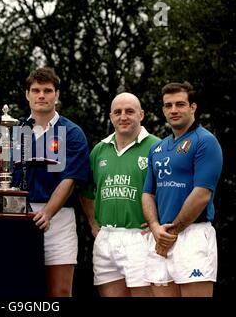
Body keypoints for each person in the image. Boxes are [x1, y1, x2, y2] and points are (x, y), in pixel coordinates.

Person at [13, 67, 90, 296]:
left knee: (60, 291)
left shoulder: (72, 132)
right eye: (35, 90)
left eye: (47, 90)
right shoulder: (13, 131)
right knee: (22, 290)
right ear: (27, 94)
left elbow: (70, 180)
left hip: (59, 217)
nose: (41, 95)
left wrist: (47, 213)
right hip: (18, 217)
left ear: (56, 94)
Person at [142, 82, 223, 297]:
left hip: (192, 234)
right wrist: (154, 226)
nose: (174, 110)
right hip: (160, 236)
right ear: (163, 110)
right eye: (168, 105)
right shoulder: (157, 148)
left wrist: (172, 231)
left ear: (193, 107)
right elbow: (148, 193)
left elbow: (202, 195)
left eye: (180, 104)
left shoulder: (205, 141)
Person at [79, 92, 160, 297]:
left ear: (141, 115)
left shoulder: (157, 147)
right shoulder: (99, 150)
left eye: (129, 111)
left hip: (141, 237)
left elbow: (171, 189)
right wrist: (92, 223)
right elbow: (86, 190)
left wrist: (158, 222)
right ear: (111, 116)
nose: (123, 116)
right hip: (106, 236)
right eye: (118, 112)